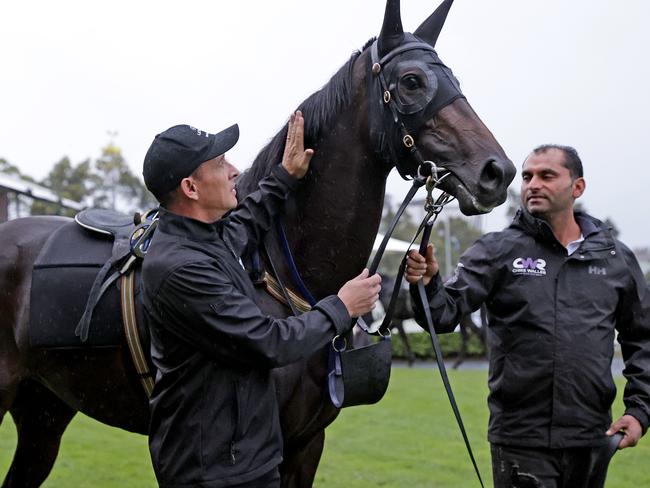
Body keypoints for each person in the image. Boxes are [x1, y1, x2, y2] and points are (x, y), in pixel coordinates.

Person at [141, 111, 381, 488]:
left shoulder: (204, 240)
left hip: (244, 457)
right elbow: (268, 342)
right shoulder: (181, 268)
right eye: (220, 163)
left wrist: (285, 175)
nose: (235, 170)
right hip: (214, 471)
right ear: (190, 188)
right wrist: (342, 306)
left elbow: (246, 223)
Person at [405, 144, 650, 488]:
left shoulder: (615, 258)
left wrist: (640, 410)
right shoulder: (498, 250)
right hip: (520, 438)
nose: (533, 184)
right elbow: (443, 314)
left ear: (577, 187)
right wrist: (427, 283)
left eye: (547, 175)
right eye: (527, 176)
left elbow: (642, 338)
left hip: (592, 435)